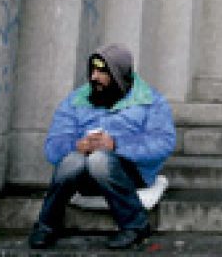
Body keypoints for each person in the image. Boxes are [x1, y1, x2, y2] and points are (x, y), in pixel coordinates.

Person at [27, 44, 176, 250]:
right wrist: (76, 145)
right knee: (72, 160)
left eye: (102, 72)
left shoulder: (151, 101)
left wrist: (116, 144)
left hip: (132, 174)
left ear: (119, 75)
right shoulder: (76, 100)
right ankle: (47, 226)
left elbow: (164, 143)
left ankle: (135, 226)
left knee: (101, 159)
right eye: (92, 71)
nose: (94, 77)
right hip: (86, 173)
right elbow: (52, 146)